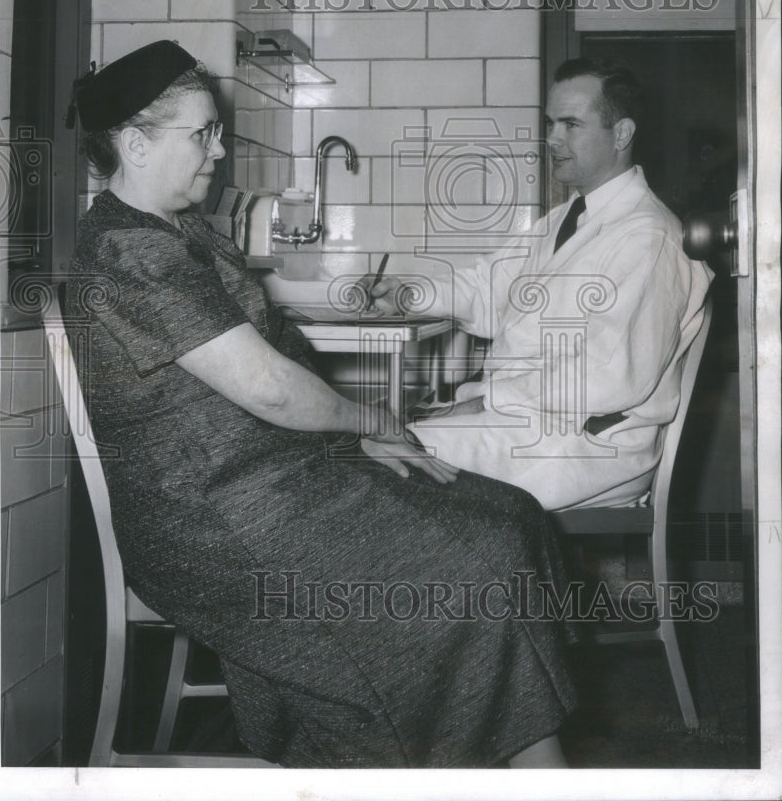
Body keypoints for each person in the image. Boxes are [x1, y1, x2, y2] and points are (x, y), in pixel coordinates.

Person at [63, 40, 578, 769]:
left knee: (508, 518)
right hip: (214, 522)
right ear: (136, 143)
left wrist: (351, 438)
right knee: (475, 564)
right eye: (201, 134)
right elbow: (268, 386)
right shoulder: (127, 251)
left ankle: (490, 759)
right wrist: (372, 419)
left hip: (269, 484)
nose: (218, 151)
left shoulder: (178, 233)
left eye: (219, 132)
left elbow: (277, 369)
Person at [368, 58, 713, 512]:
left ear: (622, 134)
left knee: (381, 459)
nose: (551, 139)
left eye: (570, 124)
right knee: (378, 443)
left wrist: (486, 401)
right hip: (535, 423)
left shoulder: (647, 237)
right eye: (551, 123)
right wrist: (409, 293)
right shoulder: (567, 219)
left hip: (588, 444)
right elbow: (490, 287)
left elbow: (609, 376)